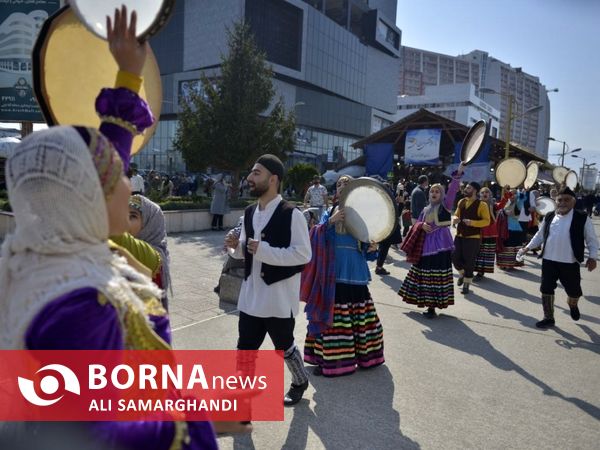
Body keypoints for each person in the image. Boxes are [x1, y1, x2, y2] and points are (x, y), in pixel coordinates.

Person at [0, 7, 226, 447]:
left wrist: (128, 71)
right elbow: (94, 433)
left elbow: (105, 155)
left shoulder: (55, 246)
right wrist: (191, 418)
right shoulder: (77, 304)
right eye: (119, 176)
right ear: (90, 197)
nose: (129, 181)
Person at [225, 154, 312, 406]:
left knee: (284, 346)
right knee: (245, 349)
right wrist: (235, 247)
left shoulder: (291, 214)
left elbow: (302, 254)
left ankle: (299, 381)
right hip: (251, 296)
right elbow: (245, 250)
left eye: (256, 173)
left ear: (273, 179)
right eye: (251, 173)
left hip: (278, 298)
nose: (250, 178)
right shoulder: (250, 211)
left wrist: (262, 249)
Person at [302, 175, 384, 376]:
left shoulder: (362, 215)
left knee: (359, 317)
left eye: (347, 184)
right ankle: (327, 360)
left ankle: (366, 357)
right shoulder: (329, 212)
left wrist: (373, 246)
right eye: (339, 184)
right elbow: (315, 235)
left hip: (355, 269)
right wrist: (330, 222)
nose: (342, 186)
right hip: (331, 270)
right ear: (335, 190)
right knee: (330, 315)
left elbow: (369, 248)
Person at [519, 187, 598, 328]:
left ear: (573, 202)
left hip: (570, 262)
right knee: (546, 289)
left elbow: (592, 240)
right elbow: (540, 235)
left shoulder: (582, 217)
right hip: (549, 261)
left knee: (574, 292)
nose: (562, 202)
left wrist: (592, 257)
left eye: (566, 200)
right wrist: (528, 247)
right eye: (559, 200)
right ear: (555, 201)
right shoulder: (549, 216)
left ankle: (572, 305)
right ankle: (548, 317)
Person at [398, 164, 464, 317]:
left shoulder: (446, 206)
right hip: (425, 246)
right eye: (432, 191)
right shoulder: (425, 209)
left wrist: (458, 173)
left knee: (436, 277)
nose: (434, 193)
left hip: (441, 247)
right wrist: (421, 225)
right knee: (424, 276)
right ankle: (428, 304)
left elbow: (453, 190)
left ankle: (432, 307)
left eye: (437, 191)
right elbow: (417, 224)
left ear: (442, 195)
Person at [112, 194, 171, 310]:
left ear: (150, 224)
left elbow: (116, 235)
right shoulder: (115, 250)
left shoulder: (154, 256)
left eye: (132, 216)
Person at [452, 181, 490, 294]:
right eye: (466, 188)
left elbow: (486, 221)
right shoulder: (461, 201)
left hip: (473, 237)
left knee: (469, 261)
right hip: (459, 235)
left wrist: (472, 222)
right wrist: (455, 219)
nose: (465, 190)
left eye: (468, 188)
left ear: (475, 191)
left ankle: (467, 283)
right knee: (454, 257)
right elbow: (456, 214)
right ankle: (462, 274)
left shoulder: (482, 205)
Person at [473, 186, 510, 281]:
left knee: (485, 253)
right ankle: (472, 270)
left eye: (487, 192)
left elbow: (502, 204)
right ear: (479, 194)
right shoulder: (476, 204)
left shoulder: (493, 205)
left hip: (490, 233)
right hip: (478, 231)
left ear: (490, 194)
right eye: (482, 192)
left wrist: (505, 194)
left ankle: (480, 272)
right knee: (475, 251)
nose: (485, 194)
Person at [496, 189, 526, 270]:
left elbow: (522, 197)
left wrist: (521, 192)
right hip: (504, 228)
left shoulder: (519, 203)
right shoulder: (506, 203)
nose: (512, 195)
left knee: (512, 247)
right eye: (511, 194)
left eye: (515, 194)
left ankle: (511, 264)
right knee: (505, 246)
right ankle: (503, 264)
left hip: (515, 228)